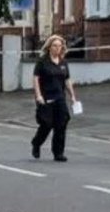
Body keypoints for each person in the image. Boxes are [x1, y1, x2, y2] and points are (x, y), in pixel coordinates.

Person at [32, 35, 77, 163]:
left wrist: (73, 96)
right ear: (49, 47)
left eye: (59, 46)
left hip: (59, 97)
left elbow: (67, 80)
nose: (57, 48)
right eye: (54, 46)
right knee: (46, 124)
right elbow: (36, 79)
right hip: (46, 97)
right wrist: (38, 95)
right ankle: (36, 143)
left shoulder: (63, 63)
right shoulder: (42, 62)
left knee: (62, 123)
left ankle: (58, 152)